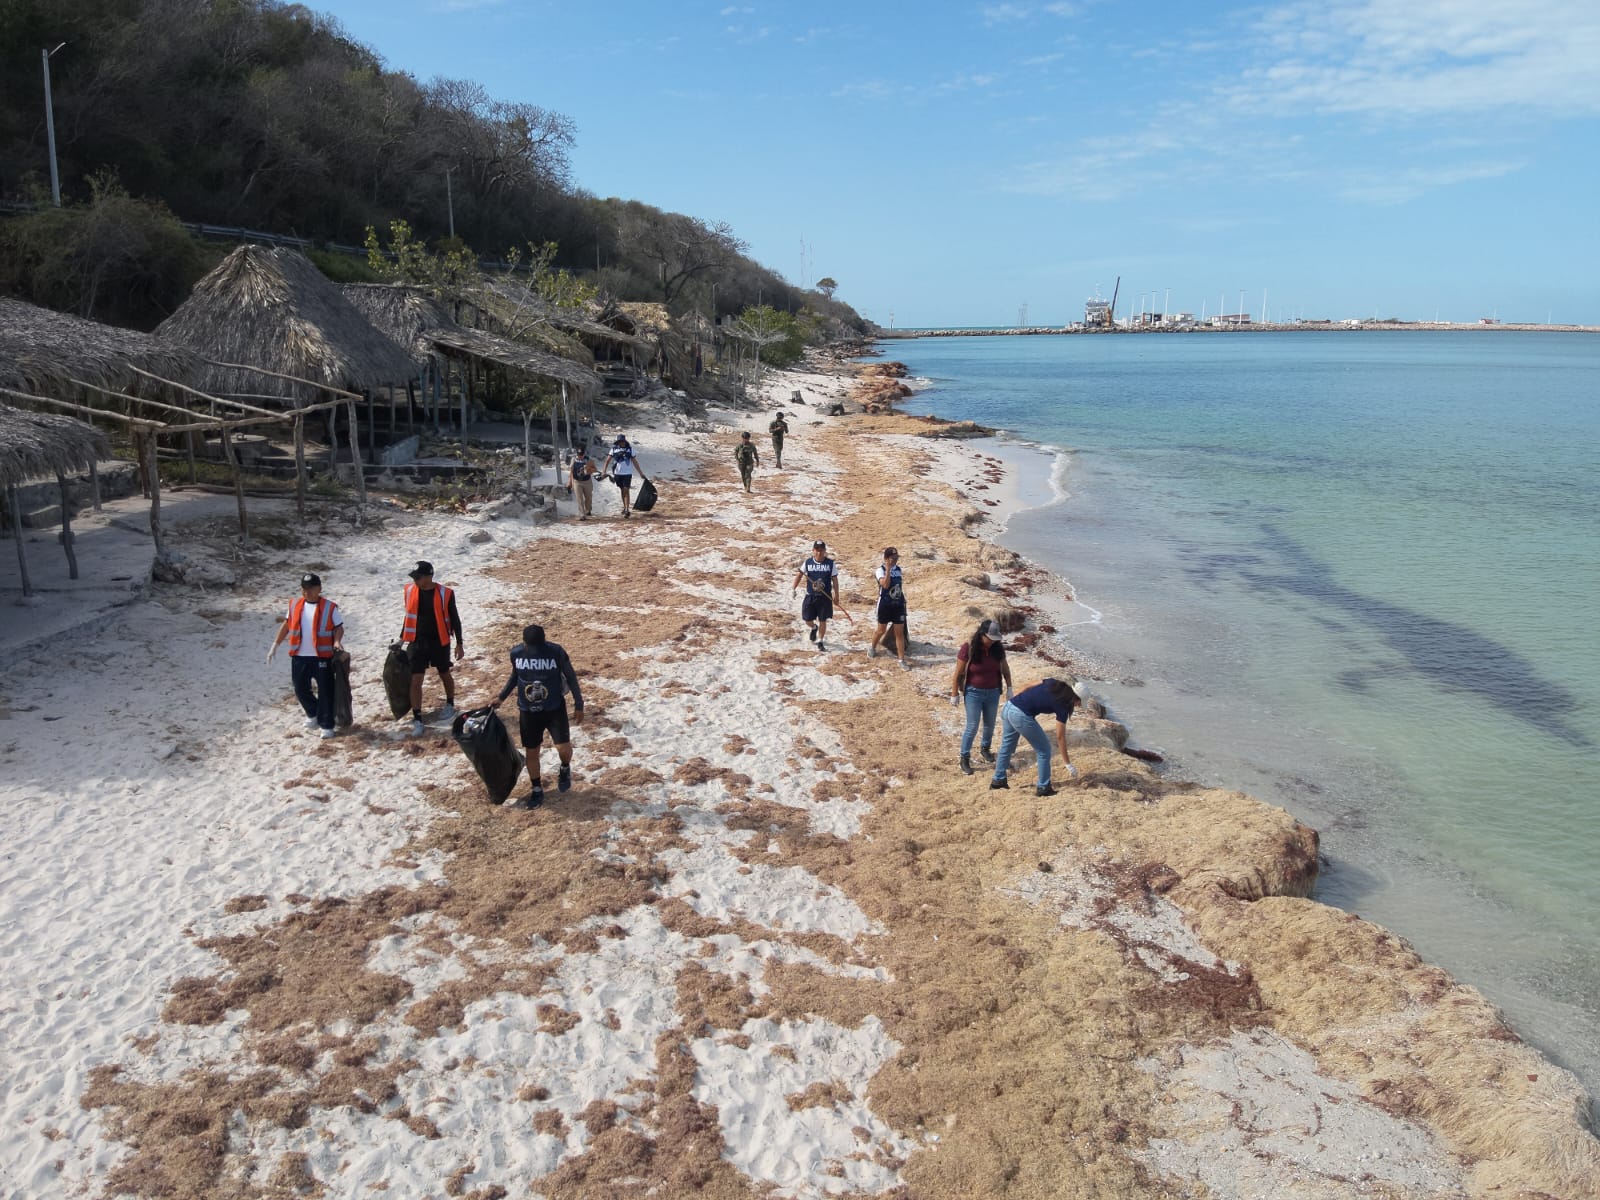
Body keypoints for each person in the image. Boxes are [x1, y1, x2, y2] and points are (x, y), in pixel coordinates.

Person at [489, 623, 584, 810]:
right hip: (528, 711)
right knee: (532, 752)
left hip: (554, 709)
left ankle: (565, 767)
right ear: (524, 644)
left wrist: (579, 704)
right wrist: (501, 697)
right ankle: (537, 788)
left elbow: (571, 677)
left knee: (563, 748)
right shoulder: (516, 654)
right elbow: (515, 676)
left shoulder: (556, 652)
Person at [267, 572, 345, 739]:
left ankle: (327, 725)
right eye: (304, 588)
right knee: (300, 688)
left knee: (325, 691)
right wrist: (275, 645)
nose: (307, 592)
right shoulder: (294, 605)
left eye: (311, 588)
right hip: (299, 655)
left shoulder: (330, 607)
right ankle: (313, 713)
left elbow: (338, 627)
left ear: (319, 589)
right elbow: (286, 625)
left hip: (322, 656)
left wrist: (337, 641)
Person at [399, 560, 464, 736]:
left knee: (444, 673)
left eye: (418, 577)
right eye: (414, 577)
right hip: (416, 641)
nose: (415, 581)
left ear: (429, 577)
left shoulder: (446, 593)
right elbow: (408, 616)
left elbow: (455, 618)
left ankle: (450, 703)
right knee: (416, 680)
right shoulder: (410, 590)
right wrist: (401, 639)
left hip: (439, 641)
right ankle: (417, 718)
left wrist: (459, 643)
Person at [990, 678, 1081, 796]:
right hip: (1020, 715)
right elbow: (1060, 736)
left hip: (1009, 707)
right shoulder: (1063, 706)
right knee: (1044, 750)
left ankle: (998, 780)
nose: (1078, 705)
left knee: (1006, 744)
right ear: (1075, 697)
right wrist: (1067, 763)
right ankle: (1043, 787)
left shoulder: (1053, 682)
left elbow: (1027, 685)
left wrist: (1015, 700)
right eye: (1079, 702)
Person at [950, 620, 1013, 774]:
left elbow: (1005, 669)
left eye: (995, 639)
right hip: (973, 693)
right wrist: (954, 693)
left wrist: (1009, 687)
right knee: (972, 726)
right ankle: (964, 758)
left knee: (990, 724)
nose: (992, 641)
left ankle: (985, 749)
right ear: (982, 634)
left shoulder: (997, 649)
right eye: (989, 638)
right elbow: (958, 673)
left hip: (993, 692)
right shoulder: (969, 648)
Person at [792, 539, 840, 652]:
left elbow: (835, 580)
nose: (819, 552)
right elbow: (799, 575)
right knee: (807, 619)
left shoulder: (830, 564)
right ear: (813, 550)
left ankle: (820, 641)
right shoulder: (808, 562)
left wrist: (836, 595)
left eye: (821, 550)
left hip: (825, 597)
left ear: (825, 551)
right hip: (810, 596)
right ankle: (814, 627)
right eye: (817, 550)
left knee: (823, 620)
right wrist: (793, 588)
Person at [868, 547, 911, 669]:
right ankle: (872, 647)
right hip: (885, 605)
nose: (895, 561)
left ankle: (901, 660)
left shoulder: (898, 570)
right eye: (893, 558)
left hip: (897, 605)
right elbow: (885, 585)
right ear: (886, 558)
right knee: (881, 630)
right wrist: (887, 569)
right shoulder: (879, 571)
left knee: (899, 633)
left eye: (896, 558)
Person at [602, 435, 640, 518]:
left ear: (625, 441)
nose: (621, 443)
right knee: (622, 490)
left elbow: (634, 462)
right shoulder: (614, 449)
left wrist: (640, 473)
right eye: (619, 441)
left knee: (626, 490)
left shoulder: (630, 449)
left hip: (627, 473)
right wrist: (604, 471)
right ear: (618, 442)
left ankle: (627, 509)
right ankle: (625, 507)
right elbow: (607, 460)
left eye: (622, 441)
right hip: (617, 473)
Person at [567, 449, 595, 519]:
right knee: (579, 498)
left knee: (588, 497)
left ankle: (588, 510)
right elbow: (571, 472)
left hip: (587, 481)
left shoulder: (589, 460)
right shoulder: (573, 460)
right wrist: (570, 482)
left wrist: (588, 468)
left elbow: (594, 470)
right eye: (579, 455)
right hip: (577, 481)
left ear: (584, 454)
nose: (580, 456)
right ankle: (582, 514)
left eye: (581, 455)